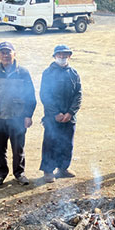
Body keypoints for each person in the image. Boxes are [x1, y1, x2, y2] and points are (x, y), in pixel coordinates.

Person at [0, 41, 36, 187]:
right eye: (3, 52)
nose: (6, 55)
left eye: (8, 52)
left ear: (14, 53)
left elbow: (30, 95)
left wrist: (28, 115)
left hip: (17, 117)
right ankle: (0, 175)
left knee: (18, 148)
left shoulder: (23, 72)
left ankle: (19, 173)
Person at [39, 44, 83, 182]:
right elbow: (45, 95)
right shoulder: (48, 73)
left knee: (67, 143)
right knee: (50, 142)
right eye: (59, 55)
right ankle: (48, 171)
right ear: (55, 56)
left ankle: (63, 168)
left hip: (69, 117)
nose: (62, 57)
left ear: (69, 56)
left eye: (65, 55)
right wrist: (55, 113)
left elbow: (78, 94)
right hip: (53, 117)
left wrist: (70, 112)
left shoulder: (73, 73)